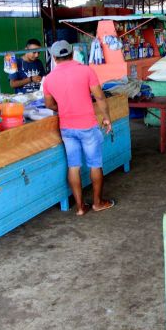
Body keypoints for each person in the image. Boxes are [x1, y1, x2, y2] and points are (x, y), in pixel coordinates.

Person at [43, 40, 114, 216]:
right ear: (73, 53)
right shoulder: (86, 70)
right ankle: (98, 203)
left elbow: (50, 104)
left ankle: (81, 207)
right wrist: (106, 118)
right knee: (95, 165)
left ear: (54, 57)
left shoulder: (49, 79)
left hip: (66, 127)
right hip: (88, 125)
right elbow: (100, 97)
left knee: (73, 166)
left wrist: (66, 109)